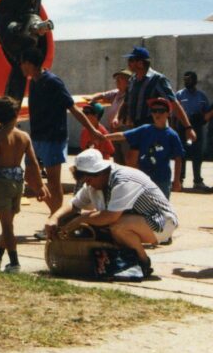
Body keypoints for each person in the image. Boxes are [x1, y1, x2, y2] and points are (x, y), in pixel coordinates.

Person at [45, 148, 179, 280]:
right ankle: (121, 262)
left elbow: (110, 217)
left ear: (100, 173)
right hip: (137, 221)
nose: (88, 185)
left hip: (161, 222)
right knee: (102, 225)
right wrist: (54, 218)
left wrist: (80, 219)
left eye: (89, 181)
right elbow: (74, 204)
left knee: (117, 226)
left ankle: (142, 262)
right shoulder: (95, 183)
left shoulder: (123, 180)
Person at [20, 48, 103, 234]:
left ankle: (55, 220)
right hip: (38, 137)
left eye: (23, 62)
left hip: (53, 137)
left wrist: (92, 129)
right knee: (30, 177)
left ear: (31, 63)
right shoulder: (33, 83)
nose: (21, 66)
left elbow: (72, 108)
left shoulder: (53, 82)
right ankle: (61, 216)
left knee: (53, 182)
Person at [0, 96, 48, 273]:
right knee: (9, 222)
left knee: (7, 226)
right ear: (16, 114)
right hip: (18, 182)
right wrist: (40, 185)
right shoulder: (24, 136)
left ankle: (14, 263)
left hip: (3, 182)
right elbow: (33, 162)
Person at [106, 97, 184, 198]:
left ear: (168, 113)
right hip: (143, 178)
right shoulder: (145, 130)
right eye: (154, 111)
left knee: (162, 207)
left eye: (161, 111)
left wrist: (177, 180)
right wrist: (104, 137)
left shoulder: (172, 135)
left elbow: (179, 158)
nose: (157, 114)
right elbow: (123, 135)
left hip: (162, 179)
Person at [118, 46, 196, 144]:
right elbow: (126, 102)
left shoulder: (157, 80)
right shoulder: (132, 80)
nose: (128, 63)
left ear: (140, 63)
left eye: (131, 60)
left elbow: (173, 103)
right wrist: (118, 119)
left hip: (153, 129)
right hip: (135, 129)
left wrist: (188, 127)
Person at [176, 71, 213, 188]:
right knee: (182, 153)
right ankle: (180, 180)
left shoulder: (202, 96)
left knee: (197, 154)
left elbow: (207, 112)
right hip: (182, 127)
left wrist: (203, 120)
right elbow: (174, 112)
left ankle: (197, 181)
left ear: (195, 81)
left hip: (197, 128)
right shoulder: (179, 95)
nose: (187, 82)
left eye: (189, 79)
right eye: (185, 80)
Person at [85, 69, 131, 163]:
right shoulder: (116, 93)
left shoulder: (132, 94)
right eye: (117, 79)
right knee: (117, 157)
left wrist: (117, 119)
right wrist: (93, 98)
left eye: (120, 79)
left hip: (126, 129)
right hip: (114, 130)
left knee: (127, 157)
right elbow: (102, 94)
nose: (117, 81)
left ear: (128, 81)